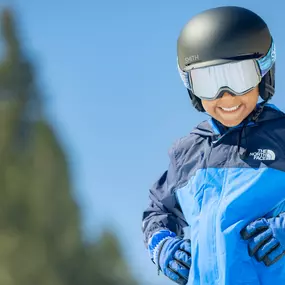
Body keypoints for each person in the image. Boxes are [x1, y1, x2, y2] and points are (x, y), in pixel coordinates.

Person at [142, 6, 285, 285]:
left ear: (263, 73)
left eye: (239, 78)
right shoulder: (189, 154)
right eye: (210, 82)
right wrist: (163, 246)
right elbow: (157, 212)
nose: (226, 96)